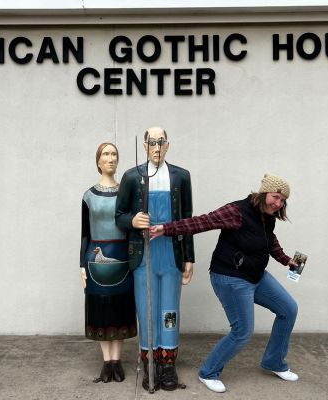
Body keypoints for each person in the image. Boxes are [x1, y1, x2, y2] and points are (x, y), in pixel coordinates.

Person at [150, 173, 299, 393]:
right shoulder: (236, 211)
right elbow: (201, 222)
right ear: (263, 193)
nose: (278, 203)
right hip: (230, 278)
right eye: (275, 197)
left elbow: (270, 242)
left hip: (256, 276)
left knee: (288, 309)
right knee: (242, 331)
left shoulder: (267, 216)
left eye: (283, 200)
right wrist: (166, 228)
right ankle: (208, 372)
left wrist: (286, 260)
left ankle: (274, 361)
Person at [115, 126, 194, 391]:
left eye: (161, 142)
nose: (157, 148)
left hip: (171, 253)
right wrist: (133, 220)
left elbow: (188, 221)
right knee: (146, 309)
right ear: (145, 145)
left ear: (168, 145)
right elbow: (120, 216)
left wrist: (189, 258)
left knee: (169, 310)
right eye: (152, 142)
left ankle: (168, 364)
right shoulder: (130, 177)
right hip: (143, 255)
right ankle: (149, 363)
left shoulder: (181, 177)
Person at [80, 142, 137, 384]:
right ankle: (107, 361)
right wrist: (82, 264)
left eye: (114, 154)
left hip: (123, 255)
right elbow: (84, 233)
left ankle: (117, 360)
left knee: (120, 306)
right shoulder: (89, 196)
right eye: (106, 154)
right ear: (98, 161)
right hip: (96, 256)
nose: (111, 158)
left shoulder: (127, 194)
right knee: (101, 308)